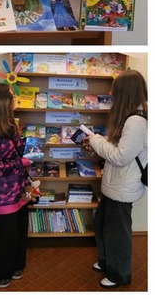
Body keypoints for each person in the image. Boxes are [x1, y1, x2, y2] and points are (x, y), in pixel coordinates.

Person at [80, 69, 148, 289]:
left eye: (115, 90)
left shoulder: (136, 122)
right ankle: (106, 261)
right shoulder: (130, 116)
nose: (110, 93)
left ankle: (120, 274)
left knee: (117, 233)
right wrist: (101, 140)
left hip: (123, 186)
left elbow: (120, 157)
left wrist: (96, 140)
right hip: (116, 184)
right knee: (102, 224)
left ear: (125, 93)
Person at [0, 83, 30, 289]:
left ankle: (16, 265)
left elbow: (18, 151)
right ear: (1, 102)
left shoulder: (10, 124)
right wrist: (19, 163)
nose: (15, 100)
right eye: (11, 97)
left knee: (20, 228)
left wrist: (30, 145)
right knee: (6, 233)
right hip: (2, 192)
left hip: (20, 186)